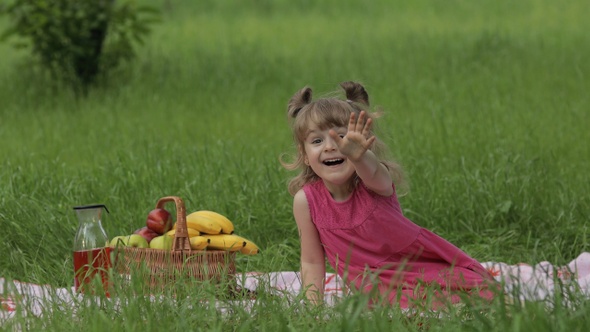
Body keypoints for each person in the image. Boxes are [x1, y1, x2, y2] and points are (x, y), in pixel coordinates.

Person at [280, 81, 498, 309]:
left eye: (341, 138)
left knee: (479, 292)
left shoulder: (373, 182)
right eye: (317, 141)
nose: (330, 147)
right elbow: (312, 260)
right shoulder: (306, 201)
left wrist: (358, 157)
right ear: (304, 155)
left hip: (415, 266)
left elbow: (372, 170)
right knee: (420, 304)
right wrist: (312, 308)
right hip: (373, 287)